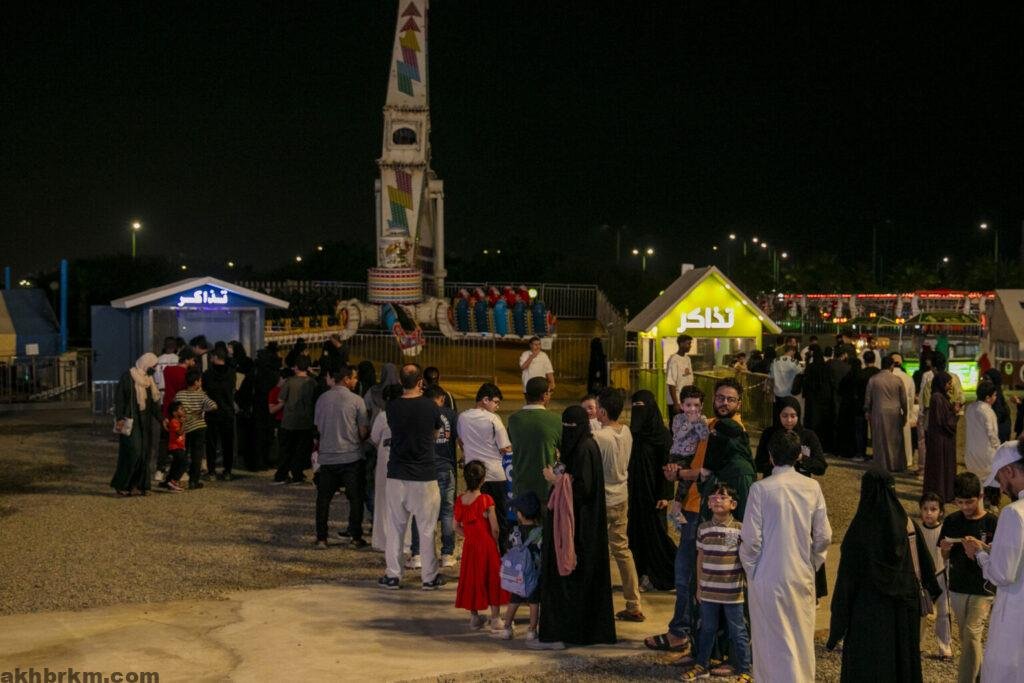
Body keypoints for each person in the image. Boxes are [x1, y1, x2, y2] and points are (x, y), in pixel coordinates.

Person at [827, 470, 941, 682]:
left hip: (866, 615)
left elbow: (846, 583)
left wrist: (837, 629)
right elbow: (928, 572)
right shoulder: (908, 527)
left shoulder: (859, 531)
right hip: (903, 615)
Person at [741, 430, 832, 683]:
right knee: (800, 637)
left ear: (770, 456)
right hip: (800, 571)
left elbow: (751, 539)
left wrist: (752, 569)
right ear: (799, 456)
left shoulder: (760, 489)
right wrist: (813, 562)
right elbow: (823, 535)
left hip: (767, 573)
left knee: (768, 641)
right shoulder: (812, 487)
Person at [535, 406, 615, 649]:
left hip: (578, 528)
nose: (567, 430)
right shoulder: (584, 446)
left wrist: (556, 480)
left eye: (571, 426)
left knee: (570, 577)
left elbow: (583, 489)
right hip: (580, 526)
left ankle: (565, 633)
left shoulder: (584, 449)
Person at [644, 385, 709, 655]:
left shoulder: (709, 426)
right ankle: (684, 631)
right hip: (690, 501)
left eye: (696, 405)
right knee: (686, 574)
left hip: (698, 507)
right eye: (687, 405)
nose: (692, 410)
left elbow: (703, 471)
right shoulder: (680, 421)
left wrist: (681, 473)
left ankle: (682, 632)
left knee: (687, 575)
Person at [378, 364, 446, 591]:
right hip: (424, 475)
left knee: (396, 528)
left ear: (400, 381)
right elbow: (435, 433)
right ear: (420, 382)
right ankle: (429, 577)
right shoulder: (430, 406)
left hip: (397, 473)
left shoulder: (392, 407)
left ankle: (393, 575)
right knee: (427, 529)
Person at [965, 443, 1024, 681]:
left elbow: (1002, 574)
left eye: (1000, 479)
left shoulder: (1014, 513)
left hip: (1015, 614)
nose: (1001, 488)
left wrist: (980, 554)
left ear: (1010, 471)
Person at [682, 483, 752, 682]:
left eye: (722, 497)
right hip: (709, 590)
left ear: (733, 504)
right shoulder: (703, 529)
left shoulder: (739, 529)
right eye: (713, 497)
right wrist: (699, 586)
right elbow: (700, 557)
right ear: (708, 503)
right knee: (707, 629)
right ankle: (701, 665)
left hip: (732, 591)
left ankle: (745, 669)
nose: (717, 500)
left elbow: (742, 558)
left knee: (738, 630)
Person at [938, 472, 998, 683]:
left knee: (972, 633)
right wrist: (945, 550)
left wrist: (982, 548)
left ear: (980, 496)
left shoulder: (992, 522)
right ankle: (981, 675)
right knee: (966, 636)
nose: (965, 507)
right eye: (960, 502)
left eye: (969, 502)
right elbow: (944, 555)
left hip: (984, 588)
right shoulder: (952, 520)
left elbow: (1001, 557)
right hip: (958, 586)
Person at [592, 387, 643, 622]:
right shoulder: (626, 431)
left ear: (602, 412)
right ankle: (633, 602)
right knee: (622, 550)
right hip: (622, 496)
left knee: (597, 551)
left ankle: (597, 604)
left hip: (603, 499)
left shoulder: (599, 438)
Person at [313, 365, 369, 550]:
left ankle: (322, 537)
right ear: (346, 379)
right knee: (355, 498)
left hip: (327, 456)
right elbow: (363, 430)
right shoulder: (357, 400)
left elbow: (318, 426)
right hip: (351, 456)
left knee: (323, 499)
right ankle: (355, 536)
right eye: (354, 377)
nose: (356, 380)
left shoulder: (322, 399)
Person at [626, 389, 677, 592]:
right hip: (635, 493)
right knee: (636, 534)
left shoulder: (662, 436)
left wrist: (665, 494)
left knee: (657, 535)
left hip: (655, 495)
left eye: (642, 407)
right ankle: (641, 575)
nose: (638, 412)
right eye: (635, 407)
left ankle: (667, 574)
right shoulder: (633, 434)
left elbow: (667, 466)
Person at [457, 383, 513, 552]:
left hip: (474, 476)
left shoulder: (462, 417)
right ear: (485, 399)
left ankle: (483, 552)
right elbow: (505, 448)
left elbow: (461, 441)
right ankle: (503, 554)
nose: (497, 406)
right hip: (496, 475)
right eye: (496, 402)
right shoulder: (493, 419)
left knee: (479, 518)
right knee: (501, 517)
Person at [454, 461, 509, 630]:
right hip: (487, 545)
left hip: (470, 546)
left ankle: (474, 617)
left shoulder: (460, 500)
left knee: (472, 578)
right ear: (483, 479)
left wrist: (469, 536)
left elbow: (455, 526)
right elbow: (495, 528)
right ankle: (495, 618)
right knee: (492, 578)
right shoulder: (486, 500)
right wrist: (495, 541)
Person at [409, 385, 458, 567]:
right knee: (446, 511)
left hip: (424, 468)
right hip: (445, 466)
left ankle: (418, 554)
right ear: (442, 398)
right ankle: (447, 554)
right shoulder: (451, 415)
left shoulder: (418, 414)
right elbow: (459, 440)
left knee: (420, 511)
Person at [492, 491, 543, 641]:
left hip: (517, 574)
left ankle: (507, 628)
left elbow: (508, 549)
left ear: (520, 514)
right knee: (534, 602)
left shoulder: (514, 532)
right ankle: (532, 630)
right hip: (534, 574)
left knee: (514, 600)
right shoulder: (540, 532)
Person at [110, 353, 162, 496]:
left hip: (145, 422)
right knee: (133, 452)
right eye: (153, 366)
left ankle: (139, 485)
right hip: (131, 421)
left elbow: (153, 404)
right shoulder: (128, 377)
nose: (154, 369)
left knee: (144, 454)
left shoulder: (149, 380)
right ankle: (122, 484)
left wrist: (162, 419)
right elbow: (120, 399)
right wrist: (120, 417)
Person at [508, 377, 561, 504]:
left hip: (520, 487)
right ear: (545, 395)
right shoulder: (556, 420)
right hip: (546, 489)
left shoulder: (513, 419)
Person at [754, 397, 827, 481]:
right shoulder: (768, 433)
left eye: (793, 416)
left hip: (800, 482)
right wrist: (775, 460)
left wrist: (801, 458)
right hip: (774, 481)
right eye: (784, 416)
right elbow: (758, 465)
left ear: (798, 415)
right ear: (778, 415)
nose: (789, 420)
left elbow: (821, 468)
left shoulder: (808, 435)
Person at [918, 491, 953, 661]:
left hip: (940, 575)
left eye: (933, 509)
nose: (929, 513)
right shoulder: (916, 529)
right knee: (921, 612)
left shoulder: (945, 530)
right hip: (922, 577)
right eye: (925, 509)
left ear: (941, 512)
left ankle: (944, 646)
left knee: (944, 612)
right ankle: (917, 644)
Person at [271, 355, 318, 485]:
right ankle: (297, 475)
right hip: (306, 421)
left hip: (289, 421)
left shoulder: (289, 382)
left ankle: (282, 475)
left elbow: (281, 399)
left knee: (286, 450)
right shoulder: (312, 382)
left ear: (296, 367)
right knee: (301, 450)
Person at [370, 384, 404, 552]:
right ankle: (405, 541)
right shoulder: (407, 414)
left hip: (385, 460)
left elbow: (374, 438)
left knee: (383, 500)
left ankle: (383, 540)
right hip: (404, 461)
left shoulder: (383, 416)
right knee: (404, 501)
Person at [174, 368, 218, 490]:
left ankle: (177, 477)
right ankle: (194, 481)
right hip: (199, 426)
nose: (201, 382)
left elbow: (174, 408)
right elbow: (214, 406)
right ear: (196, 382)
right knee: (197, 455)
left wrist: (184, 415)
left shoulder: (179, 394)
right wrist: (201, 410)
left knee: (183, 453)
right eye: (200, 380)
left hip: (185, 428)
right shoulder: (201, 395)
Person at [157, 347, 196, 478]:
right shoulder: (187, 375)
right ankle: (181, 471)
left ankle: (160, 469)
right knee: (180, 441)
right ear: (187, 360)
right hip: (180, 410)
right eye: (192, 360)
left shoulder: (168, 370)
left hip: (168, 407)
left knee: (164, 440)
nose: (193, 362)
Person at [864, 355, 908, 471]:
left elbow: (868, 398)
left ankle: (882, 464)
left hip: (878, 412)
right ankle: (896, 464)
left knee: (880, 440)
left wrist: (867, 410)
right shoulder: (897, 380)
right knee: (895, 440)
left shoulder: (873, 379)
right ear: (892, 366)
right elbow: (904, 400)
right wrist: (905, 413)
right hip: (895, 412)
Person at [965, 379, 1001, 509]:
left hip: (971, 451)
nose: (996, 397)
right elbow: (992, 433)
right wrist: (998, 447)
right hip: (986, 452)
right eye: (994, 395)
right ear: (988, 398)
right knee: (992, 478)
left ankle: (978, 502)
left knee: (977, 479)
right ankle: (992, 503)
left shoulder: (970, 408)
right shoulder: (988, 411)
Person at [202, 347, 237, 481]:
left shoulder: (207, 374)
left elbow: (204, 391)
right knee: (228, 443)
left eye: (212, 356)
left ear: (216, 357)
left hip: (212, 412)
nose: (210, 358)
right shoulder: (231, 373)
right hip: (227, 412)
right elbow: (232, 389)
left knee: (211, 443)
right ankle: (227, 471)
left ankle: (211, 472)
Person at [924, 371, 958, 503]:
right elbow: (943, 421)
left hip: (941, 438)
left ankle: (945, 493)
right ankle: (941, 494)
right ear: (941, 383)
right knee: (940, 468)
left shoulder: (940, 397)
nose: (950, 386)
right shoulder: (937, 398)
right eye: (948, 383)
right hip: (941, 439)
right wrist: (954, 412)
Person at [890, 352, 919, 471]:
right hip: (904, 409)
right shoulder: (908, 377)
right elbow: (911, 396)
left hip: (890, 410)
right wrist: (910, 411)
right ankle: (907, 460)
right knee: (905, 437)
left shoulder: (887, 376)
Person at [835, 356, 862, 459]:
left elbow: (840, 390)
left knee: (845, 430)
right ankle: (855, 451)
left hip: (846, 406)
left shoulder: (847, 377)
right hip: (857, 407)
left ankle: (844, 451)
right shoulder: (861, 377)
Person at [158, 400, 188, 493]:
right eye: (181, 409)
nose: (183, 410)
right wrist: (184, 423)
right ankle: (174, 481)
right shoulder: (174, 421)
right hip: (175, 447)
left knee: (176, 464)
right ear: (174, 413)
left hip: (180, 446)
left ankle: (169, 481)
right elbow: (179, 432)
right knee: (183, 463)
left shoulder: (178, 421)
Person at [769, 345, 802, 421]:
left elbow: (771, 377)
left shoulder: (775, 361)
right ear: (793, 351)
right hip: (789, 393)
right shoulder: (795, 362)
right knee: (787, 417)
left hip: (777, 393)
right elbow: (800, 375)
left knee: (778, 416)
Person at [665, 335, 694, 415]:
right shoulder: (674, 360)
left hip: (686, 400)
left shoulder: (687, 359)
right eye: (688, 344)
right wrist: (676, 403)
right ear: (681, 344)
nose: (690, 346)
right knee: (677, 422)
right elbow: (671, 383)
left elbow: (690, 380)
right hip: (677, 401)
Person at [982, 367, 1012, 443]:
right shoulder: (991, 392)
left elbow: (997, 415)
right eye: (983, 378)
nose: (984, 381)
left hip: (1000, 431)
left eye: (986, 379)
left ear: (994, 380)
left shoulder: (995, 395)